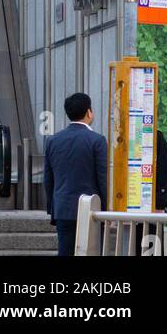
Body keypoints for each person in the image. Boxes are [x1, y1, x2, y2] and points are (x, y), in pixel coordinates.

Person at [44, 92, 108, 257]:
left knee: (65, 252)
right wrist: (106, 209)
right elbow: (102, 179)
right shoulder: (97, 140)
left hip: (63, 209)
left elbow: (48, 179)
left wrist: (53, 207)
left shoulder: (53, 140)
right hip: (91, 210)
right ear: (89, 112)